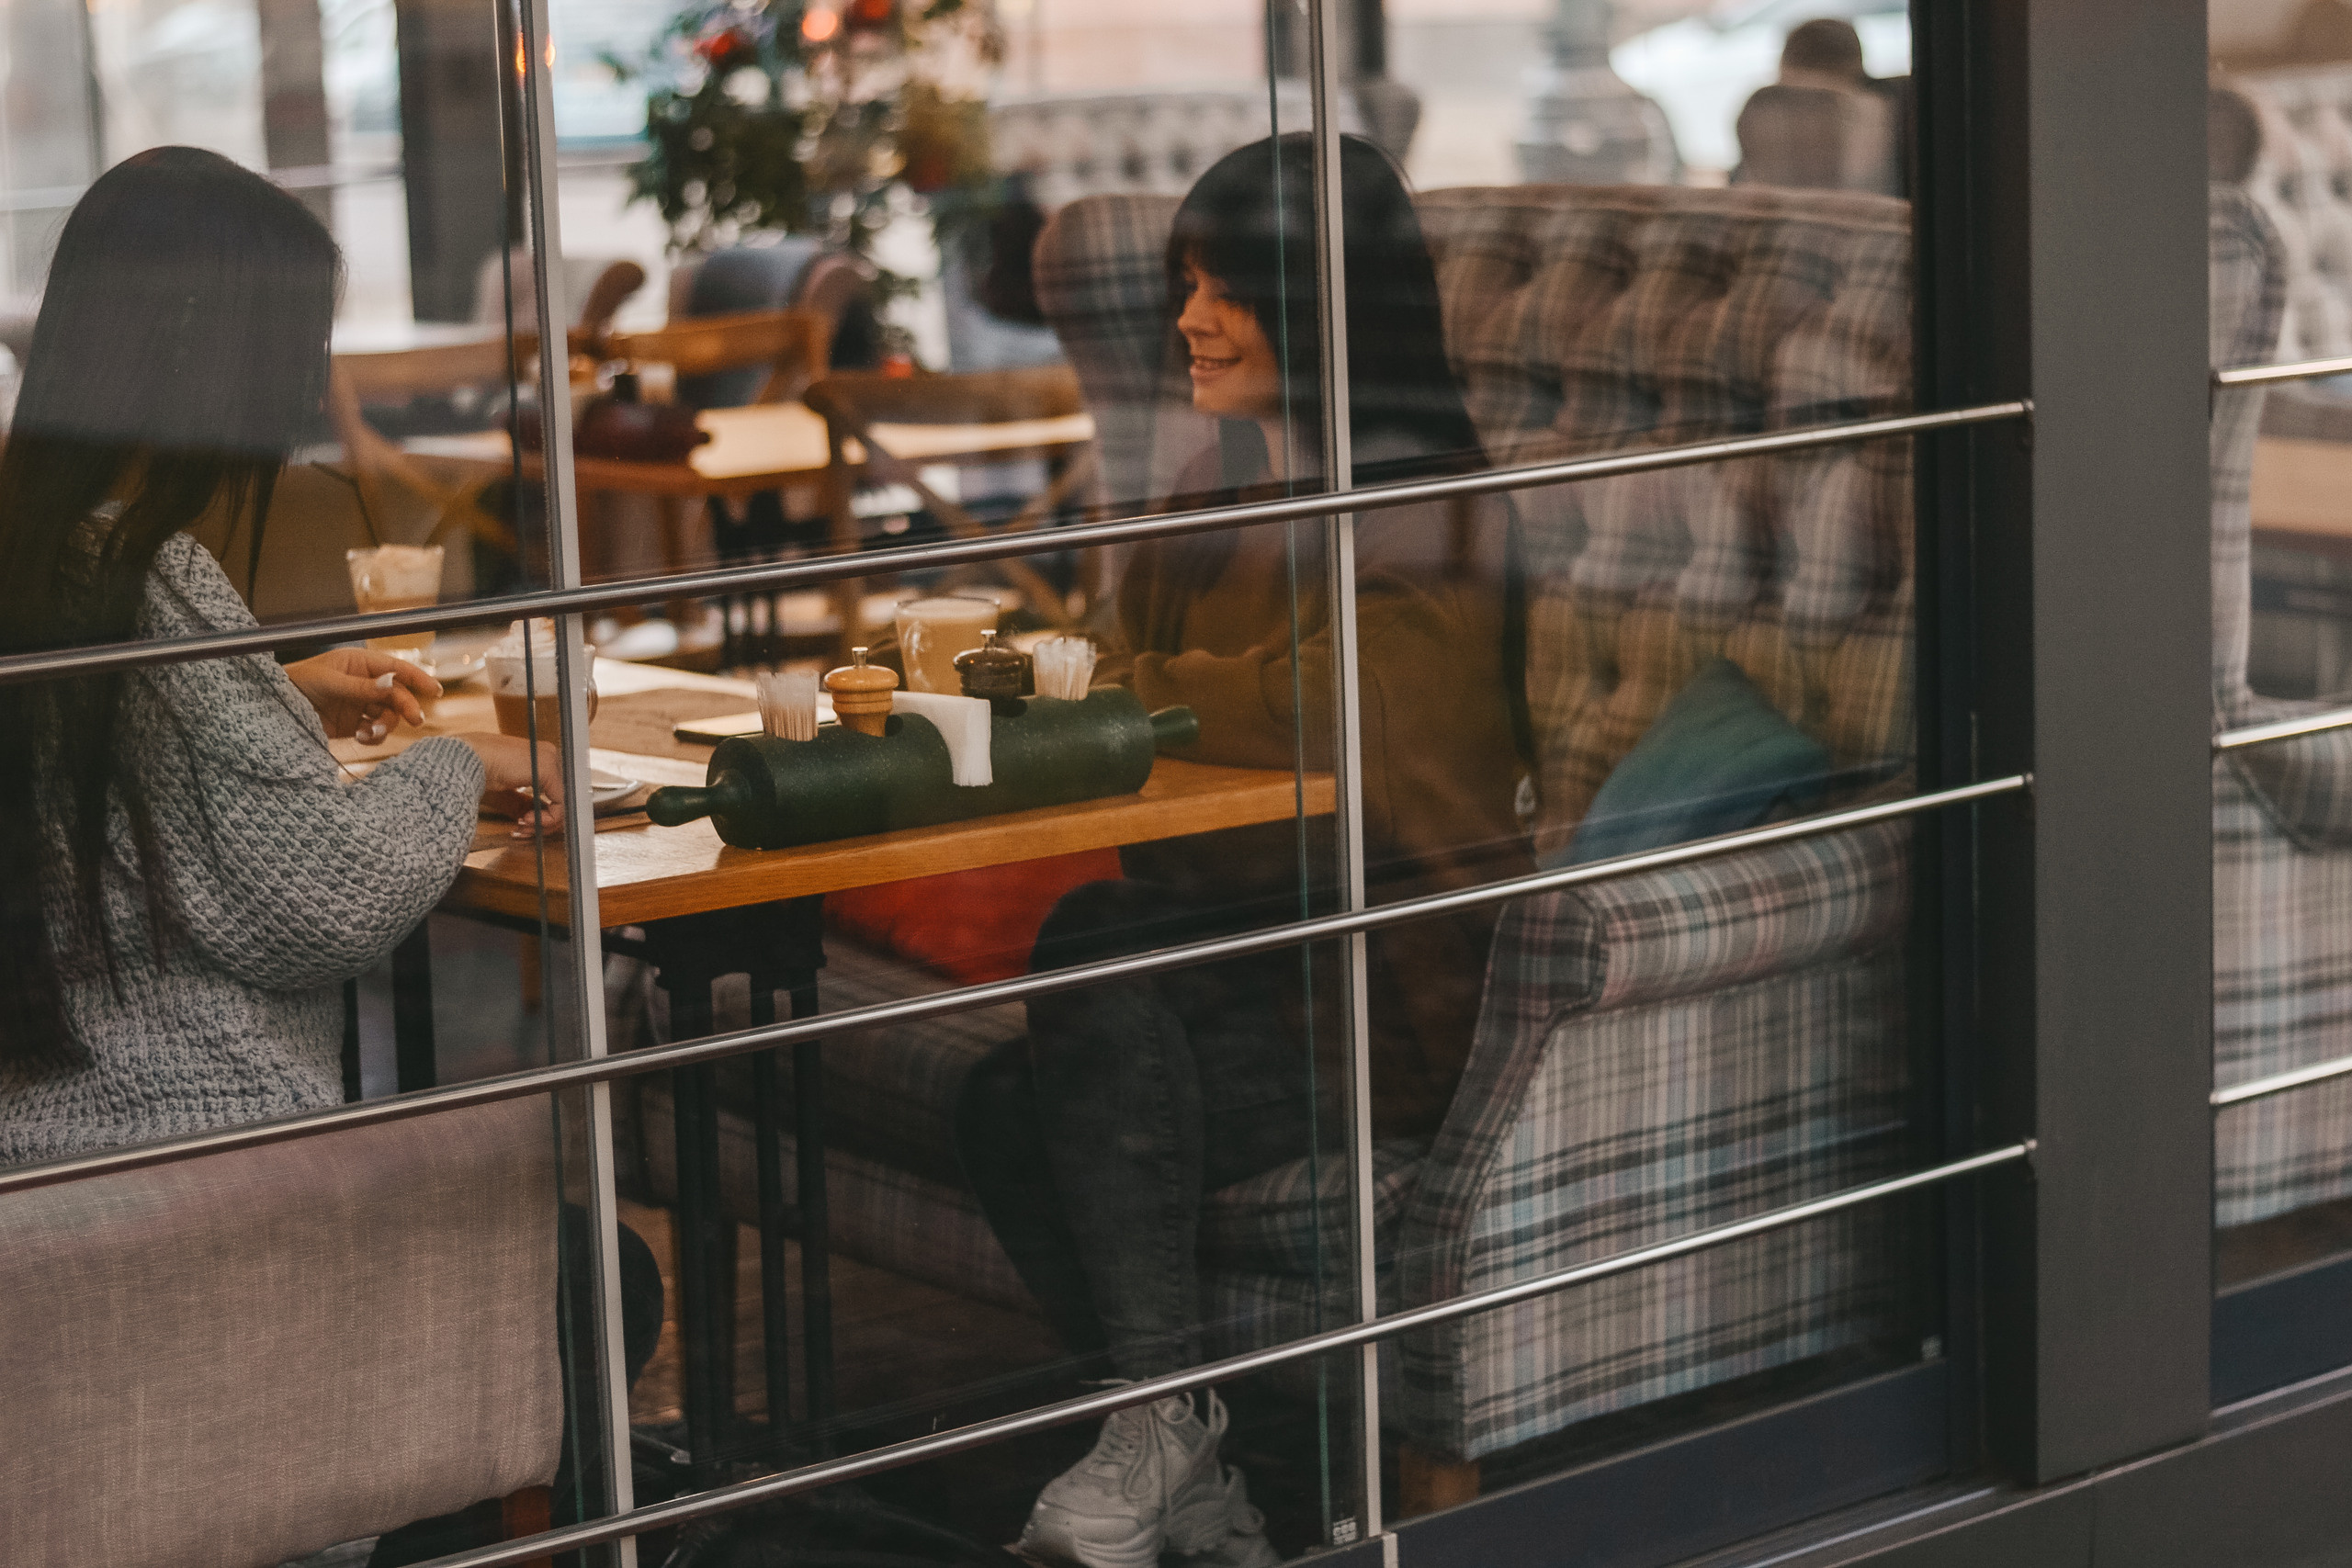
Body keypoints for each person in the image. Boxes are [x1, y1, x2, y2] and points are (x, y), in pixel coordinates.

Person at [955, 134, 1530, 1568]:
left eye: (1227, 290)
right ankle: (1186, 1450)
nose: (1189, 320)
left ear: (1327, 306)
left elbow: (1348, 706)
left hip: (1381, 996)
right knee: (996, 1100)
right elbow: (1107, 656)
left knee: (1094, 939)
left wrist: (1132, 689)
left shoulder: (1437, 502)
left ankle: (1160, 1429)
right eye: (1188, 284)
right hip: (1246, 963)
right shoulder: (1223, 487)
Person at [0, 147, 564, 1164]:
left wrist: (270, 687)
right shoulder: (147, 575)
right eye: (293, 352)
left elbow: (103, 740)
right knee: (589, 1227)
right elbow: (332, 895)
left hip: (47, 1131)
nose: (303, 399)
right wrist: (459, 763)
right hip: (190, 1137)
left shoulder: (35, 545)